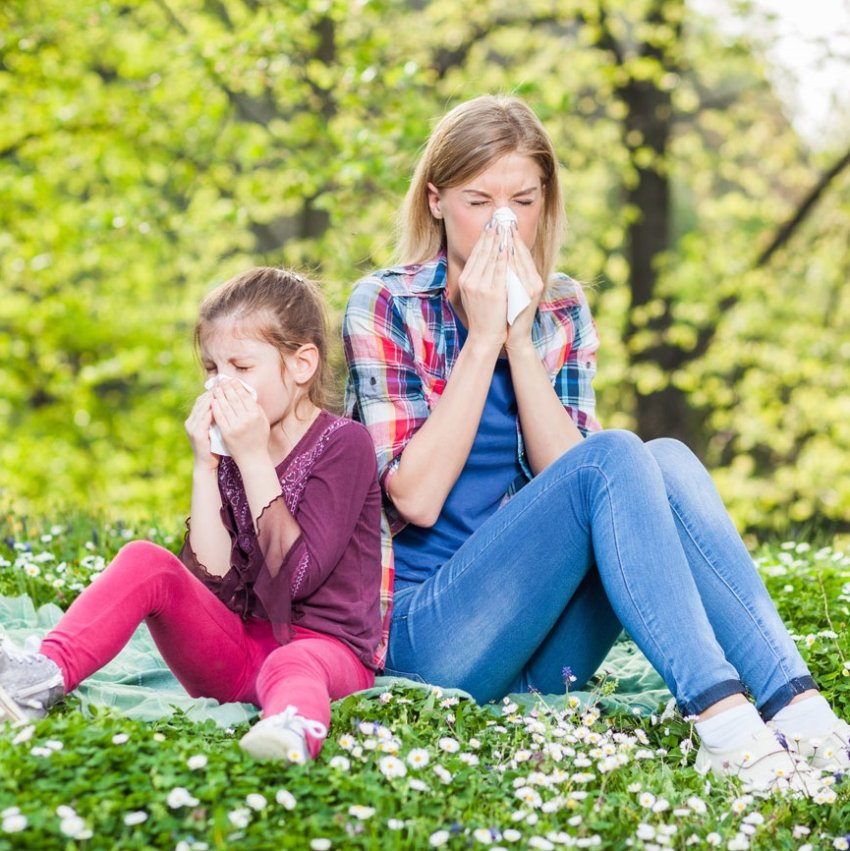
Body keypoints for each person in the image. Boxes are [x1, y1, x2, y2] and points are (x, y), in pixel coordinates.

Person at [342, 94, 850, 793]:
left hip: (540, 645)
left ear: (544, 203)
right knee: (617, 451)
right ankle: (724, 723)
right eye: (477, 199)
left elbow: (585, 483)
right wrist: (482, 334)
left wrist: (519, 339)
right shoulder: (386, 302)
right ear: (434, 201)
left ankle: (798, 708)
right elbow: (415, 497)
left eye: (522, 200)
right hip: (428, 638)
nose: (502, 222)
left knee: (660, 459)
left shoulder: (561, 307)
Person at [0, 267, 389, 763]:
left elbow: (295, 580)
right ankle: (39, 678)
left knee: (293, 662)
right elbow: (213, 587)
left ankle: (291, 729)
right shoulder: (231, 453)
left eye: (241, 368)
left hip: (326, 654)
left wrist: (251, 457)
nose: (221, 385)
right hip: (237, 654)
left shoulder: (344, 444)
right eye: (211, 370)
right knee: (146, 559)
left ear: (301, 364)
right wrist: (206, 466)